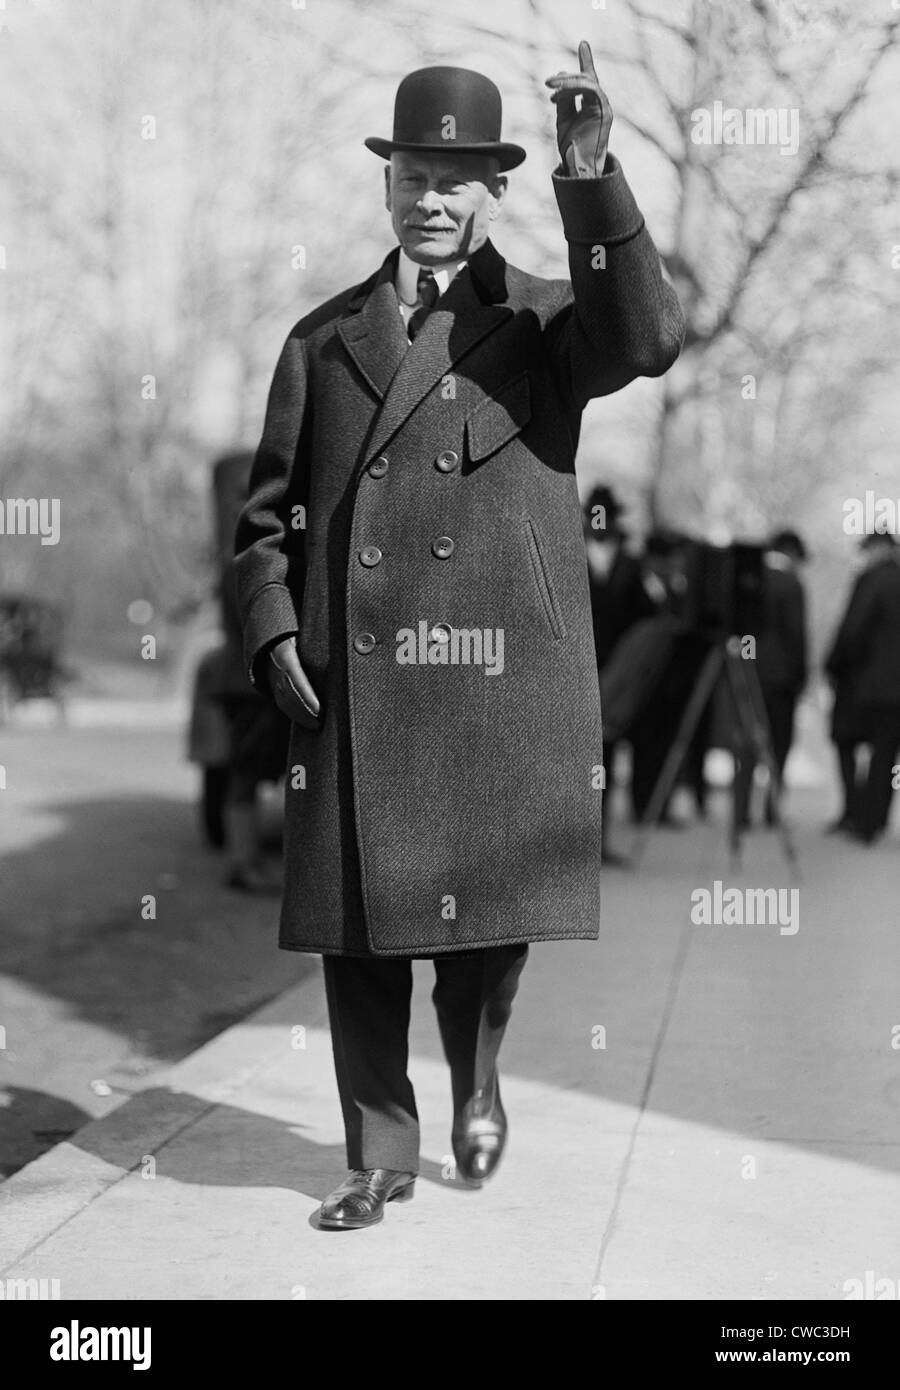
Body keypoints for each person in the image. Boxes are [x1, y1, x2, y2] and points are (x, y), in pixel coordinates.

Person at [233, 47, 684, 1230]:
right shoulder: (321, 339)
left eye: (455, 180)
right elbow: (265, 514)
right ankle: (378, 1151)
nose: (429, 200)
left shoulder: (544, 324)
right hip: (355, 684)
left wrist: (593, 172)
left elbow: (645, 337)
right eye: (411, 176)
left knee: (481, 947)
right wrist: (272, 620)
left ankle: (480, 1080)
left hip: (494, 686)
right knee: (360, 946)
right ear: (387, 185)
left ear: (495, 191)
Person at [582, 485, 657, 858]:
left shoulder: (631, 564)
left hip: (613, 676)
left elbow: (648, 617)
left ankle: (600, 841)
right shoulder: (568, 552)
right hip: (574, 672)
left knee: (605, 763)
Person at [825, 531, 900, 843]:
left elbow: (854, 628)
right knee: (885, 755)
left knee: (846, 742)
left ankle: (856, 814)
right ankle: (874, 820)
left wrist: (834, 665)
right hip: (894, 689)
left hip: (865, 682)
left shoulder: (871, 580)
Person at [734, 528, 809, 827]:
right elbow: (795, 634)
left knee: (747, 743)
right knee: (778, 744)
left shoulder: (749, 579)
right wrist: (800, 673)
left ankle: (740, 812)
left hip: (747, 670)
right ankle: (772, 809)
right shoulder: (791, 583)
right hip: (780, 677)